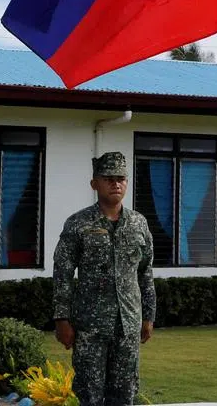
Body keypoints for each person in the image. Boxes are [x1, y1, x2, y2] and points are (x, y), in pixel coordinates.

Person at [53, 151, 156, 406]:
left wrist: (149, 316)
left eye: (121, 178)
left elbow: (145, 272)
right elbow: (62, 273)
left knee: (124, 395)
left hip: (128, 326)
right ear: (94, 184)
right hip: (90, 327)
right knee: (89, 394)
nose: (116, 183)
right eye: (108, 178)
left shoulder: (138, 224)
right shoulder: (78, 224)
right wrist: (61, 319)